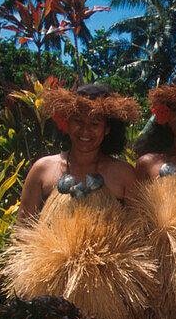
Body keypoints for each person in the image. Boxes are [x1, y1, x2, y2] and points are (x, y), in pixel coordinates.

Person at [17, 83, 141, 224]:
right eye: (78, 121)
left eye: (94, 124)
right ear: (67, 122)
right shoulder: (42, 169)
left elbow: (138, 231)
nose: (85, 130)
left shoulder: (124, 174)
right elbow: (23, 229)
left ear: (107, 129)